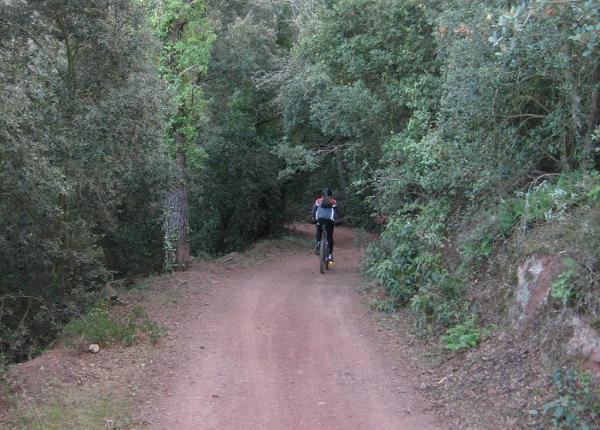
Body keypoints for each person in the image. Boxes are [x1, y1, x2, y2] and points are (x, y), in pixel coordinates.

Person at [312, 187, 338, 262]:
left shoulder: (318, 201)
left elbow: (314, 211)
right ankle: (330, 255)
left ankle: (318, 243)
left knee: (318, 231)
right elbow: (337, 212)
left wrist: (314, 218)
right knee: (330, 236)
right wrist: (337, 220)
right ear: (331, 195)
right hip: (329, 221)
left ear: (322, 195)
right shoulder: (333, 201)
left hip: (319, 220)